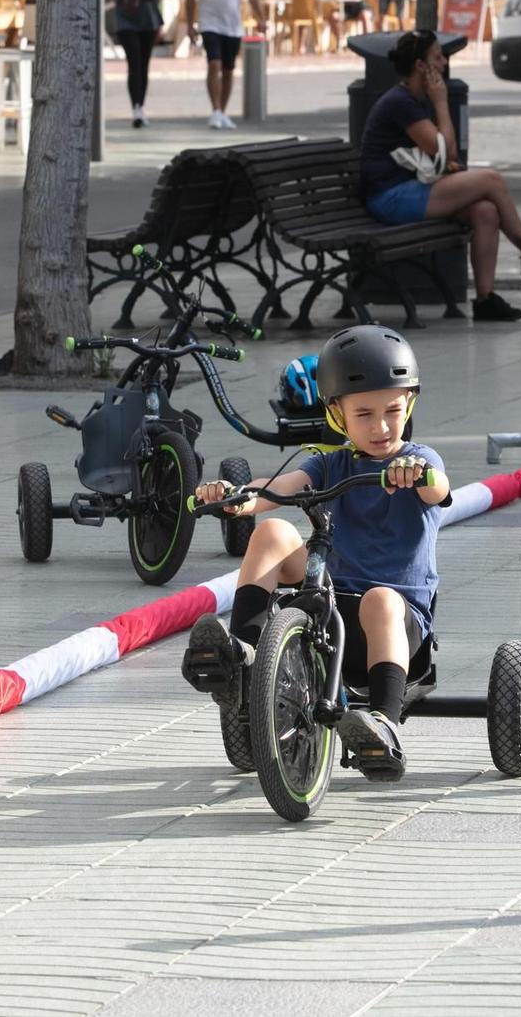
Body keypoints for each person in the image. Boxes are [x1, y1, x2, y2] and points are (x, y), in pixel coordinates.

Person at [180, 326, 447, 781]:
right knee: (272, 532)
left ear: (410, 406)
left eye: (392, 411)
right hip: (331, 611)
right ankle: (242, 656)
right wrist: (237, 496)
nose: (380, 426)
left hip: (393, 625)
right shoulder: (328, 464)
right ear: (337, 413)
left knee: (379, 599)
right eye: (364, 413)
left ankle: (383, 724)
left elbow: (438, 487)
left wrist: (415, 475)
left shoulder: (420, 459)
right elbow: (278, 489)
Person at [359, 29, 521, 322]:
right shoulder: (401, 102)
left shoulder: (414, 97)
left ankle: (485, 299)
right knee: (491, 180)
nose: (443, 64)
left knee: (486, 211)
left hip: (409, 188)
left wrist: (437, 106)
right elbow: (445, 152)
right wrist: (441, 103)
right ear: (420, 65)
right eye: (437, 58)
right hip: (390, 197)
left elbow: (443, 156)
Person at [184, 0, 267, 130]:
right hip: (209, 23)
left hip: (233, 25)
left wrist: (261, 18)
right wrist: (190, 24)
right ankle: (215, 110)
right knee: (214, 64)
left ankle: (223, 111)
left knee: (229, 70)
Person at [107, 0, 166, 129]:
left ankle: (141, 106)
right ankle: (135, 109)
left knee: (144, 64)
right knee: (134, 64)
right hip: (126, 21)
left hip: (148, 19)